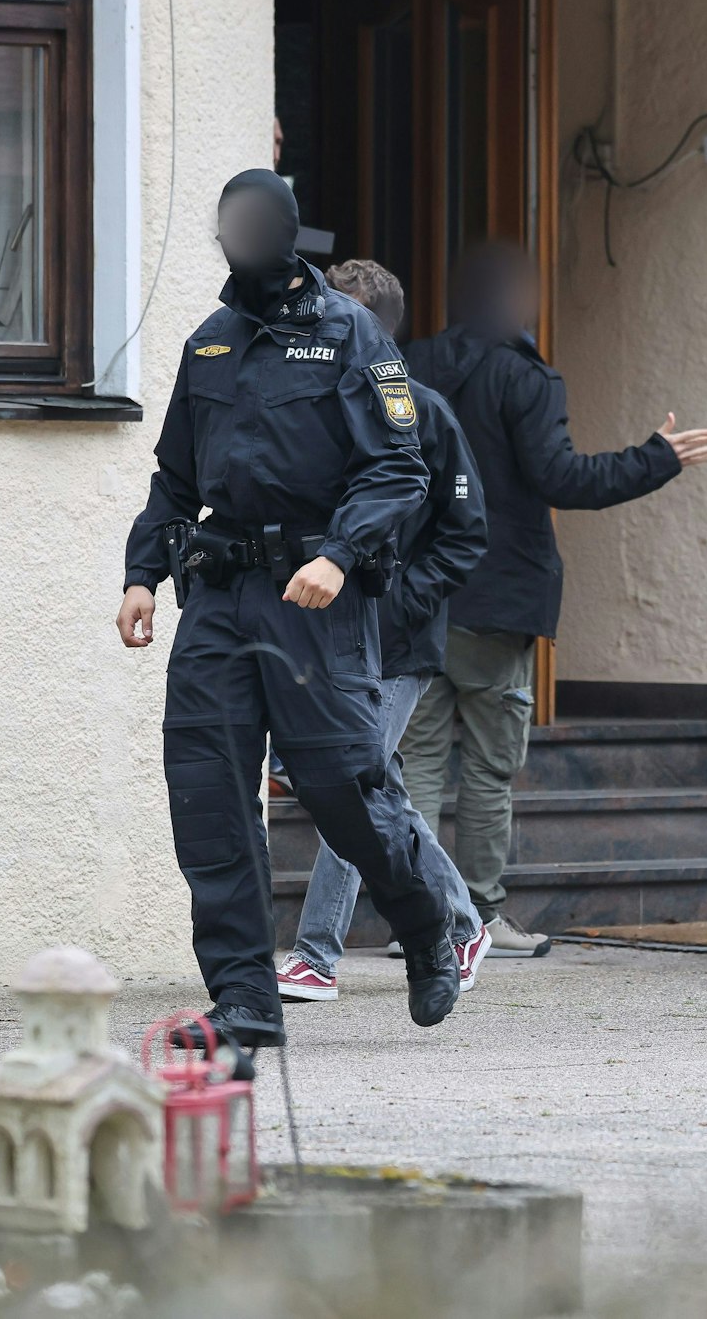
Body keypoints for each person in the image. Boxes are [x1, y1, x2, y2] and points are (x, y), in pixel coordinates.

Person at [117, 169, 458, 1048]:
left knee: (344, 789)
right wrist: (141, 573)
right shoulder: (209, 345)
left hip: (315, 600)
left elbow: (400, 468)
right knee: (209, 797)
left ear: (289, 230)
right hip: (219, 600)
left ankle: (427, 927)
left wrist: (340, 554)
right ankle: (244, 997)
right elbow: (175, 479)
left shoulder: (352, 334)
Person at [400, 243, 707, 958]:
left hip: (419, 593)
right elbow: (562, 478)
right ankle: (477, 917)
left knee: (416, 761)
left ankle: (417, 918)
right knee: (488, 767)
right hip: (498, 597)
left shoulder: (411, 366)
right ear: (519, 300)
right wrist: (657, 457)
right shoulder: (525, 376)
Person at [275, 258, 489, 1003]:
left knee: (356, 784)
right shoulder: (314, 407)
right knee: (371, 785)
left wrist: (396, 603)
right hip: (323, 637)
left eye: (339, 313)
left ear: (378, 327)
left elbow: (465, 534)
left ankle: (317, 955)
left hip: (395, 643)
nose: (319, 325)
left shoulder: (424, 412)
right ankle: (461, 924)